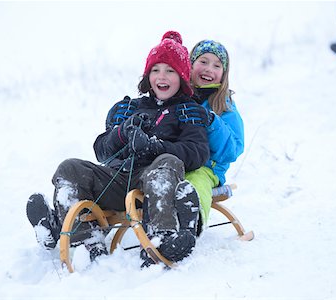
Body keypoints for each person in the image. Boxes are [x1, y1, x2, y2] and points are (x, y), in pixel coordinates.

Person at [26, 30, 211, 266]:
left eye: (170, 71)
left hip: (153, 183)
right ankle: (84, 241)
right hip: (117, 178)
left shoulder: (186, 111)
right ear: (147, 76)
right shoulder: (130, 108)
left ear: (182, 77)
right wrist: (122, 133)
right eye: (155, 70)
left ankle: (162, 237)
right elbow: (101, 151)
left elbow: (197, 152)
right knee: (69, 168)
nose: (161, 77)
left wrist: (154, 147)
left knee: (168, 162)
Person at [177, 40, 244, 231]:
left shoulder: (224, 105)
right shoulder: (178, 96)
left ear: (223, 74)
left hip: (207, 167)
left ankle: (190, 225)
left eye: (216, 65)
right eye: (203, 61)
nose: (209, 69)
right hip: (177, 160)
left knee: (195, 182)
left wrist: (212, 122)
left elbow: (233, 149)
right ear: (190, 65)